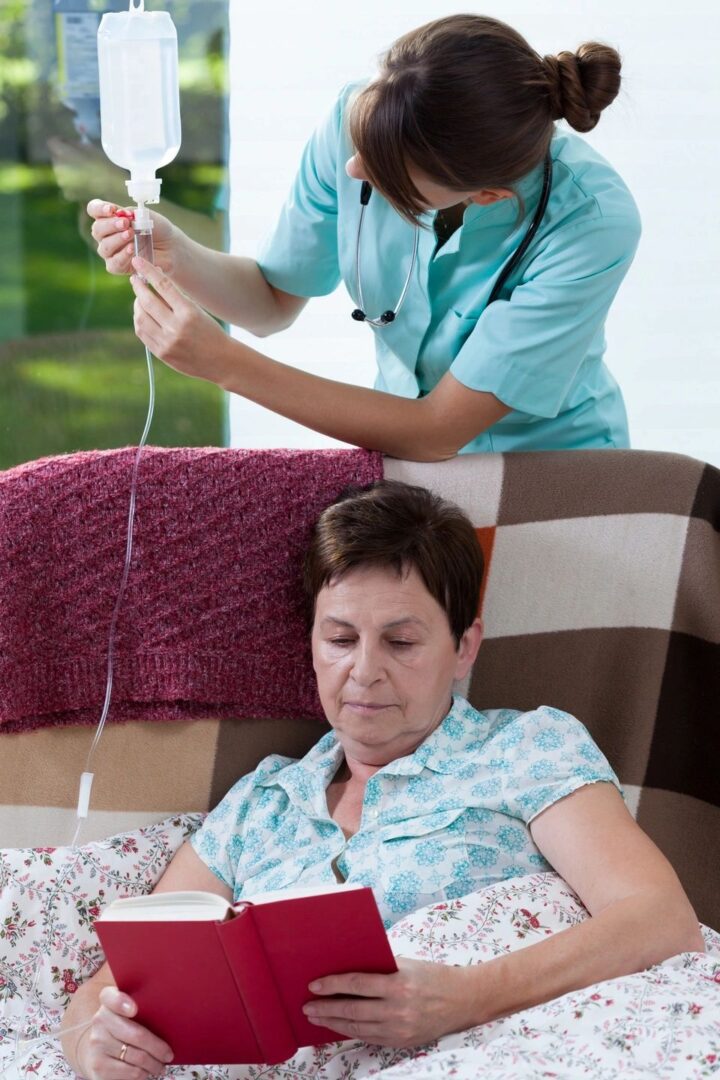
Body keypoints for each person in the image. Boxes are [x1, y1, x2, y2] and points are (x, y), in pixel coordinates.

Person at [60, 480, 702, 1078]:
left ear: (465, 646)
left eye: (400, 643)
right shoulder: (262, 802)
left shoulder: (524, 749)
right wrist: (94, 1045)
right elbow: (110, 982)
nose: (364, 672)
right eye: (340, 638)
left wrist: (470, 996)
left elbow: (659, 919)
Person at [87, 14, 642, 462]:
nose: (353, 168)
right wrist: (177, 253)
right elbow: (271, 303)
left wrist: (224, 364)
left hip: (551, 472)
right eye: (359, 143)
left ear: (489, 195)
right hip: (400, 457)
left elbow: (435, 432)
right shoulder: (363, 118)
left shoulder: (592, 223)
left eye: (385, 174)